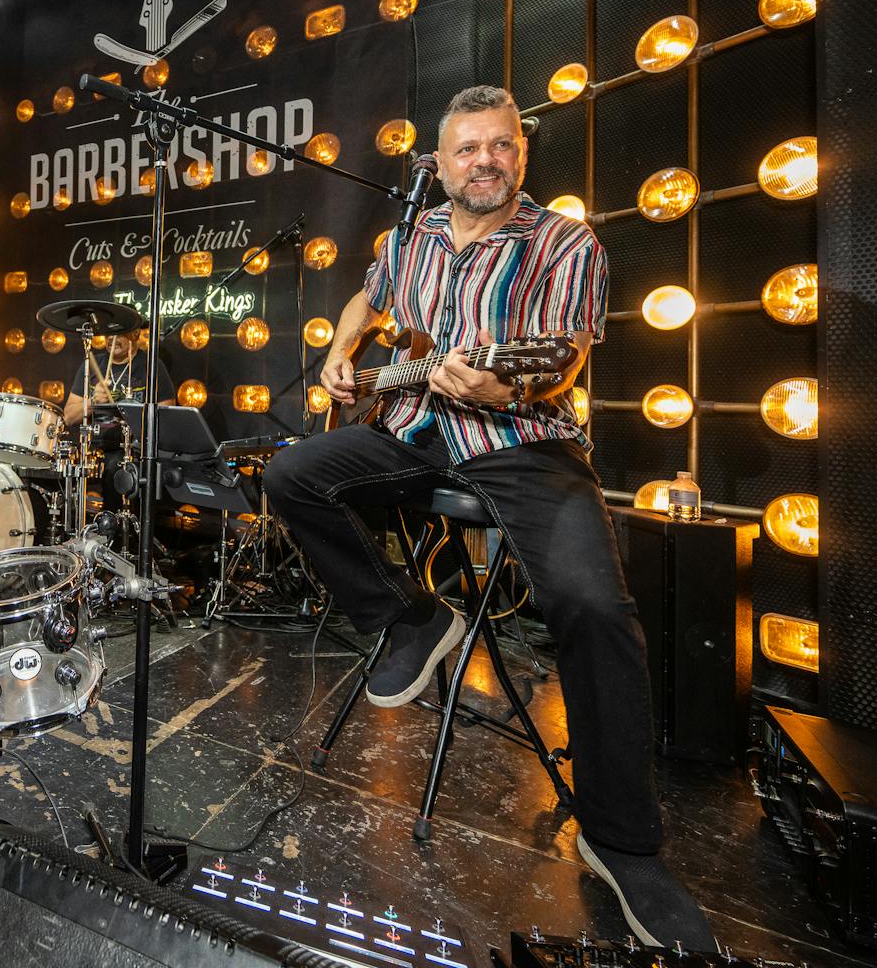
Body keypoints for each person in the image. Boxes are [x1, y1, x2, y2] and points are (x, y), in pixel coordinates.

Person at [262, 86, 714, 950]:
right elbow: (368, 300)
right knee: (290, 474)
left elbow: (562, 356)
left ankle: (623, 843)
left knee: (594, 607)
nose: (485, 161)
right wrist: (342, 351)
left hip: (521, 438)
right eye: (467, 149)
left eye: (500, 146)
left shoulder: (565, 241)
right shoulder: (411, 238)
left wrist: (503, 384)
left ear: (521, 153)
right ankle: (411, 618)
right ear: (438, 163)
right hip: (412, 428)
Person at [61, 329, 174, 427]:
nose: (111, 338)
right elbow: (69, 418)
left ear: (136, 333)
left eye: (119, 332)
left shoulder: (152, 366)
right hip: (95, 444)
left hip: (135, 444)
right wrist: (93, 402)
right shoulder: (92, 364)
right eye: (108, 332)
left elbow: (166, 418)